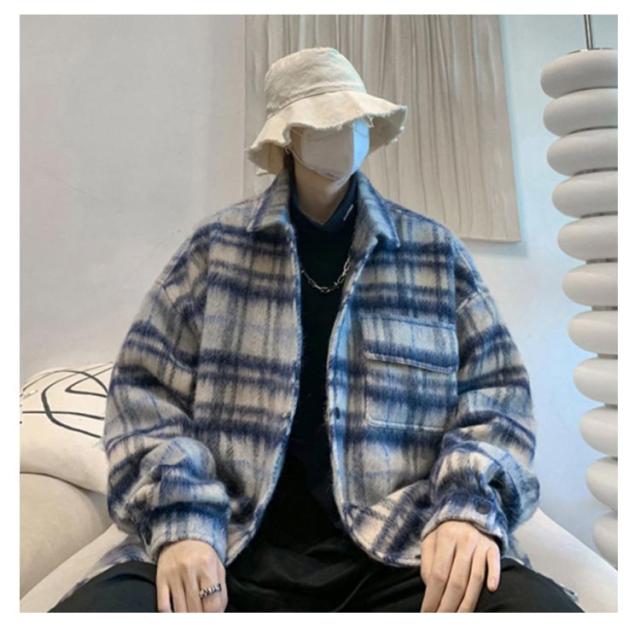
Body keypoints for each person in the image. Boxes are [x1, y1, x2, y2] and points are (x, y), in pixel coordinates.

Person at [50, 47, 583, 613]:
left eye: (357, 121)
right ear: (290, 139)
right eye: (327, 123)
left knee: (541, 612)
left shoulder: (433, 254)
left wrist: (467, 510)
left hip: (402, 553)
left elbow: (498, 395)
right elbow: (144, 394)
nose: (346, 135)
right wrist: (182, 521)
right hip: (230, 550)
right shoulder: (214, 252)